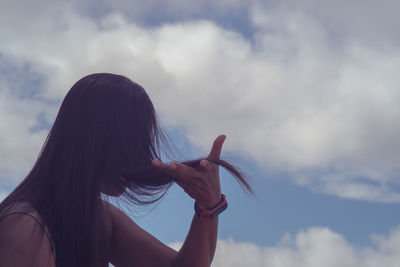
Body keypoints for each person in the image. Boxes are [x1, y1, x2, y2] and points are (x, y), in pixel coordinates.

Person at [0, 73, 252, 267]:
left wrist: (208, 206)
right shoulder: (25, 228)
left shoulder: (98, 217)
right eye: (134, 144)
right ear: (97, 142)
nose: (142, 157)